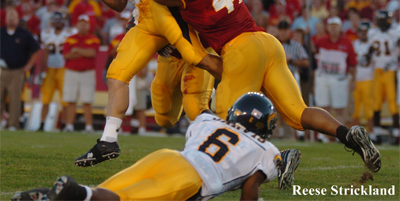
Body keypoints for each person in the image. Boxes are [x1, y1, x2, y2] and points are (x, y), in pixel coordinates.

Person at [103, 0, 381, 172]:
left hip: (239, 49)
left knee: (228, 123)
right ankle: (348, 134)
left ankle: (277, 162)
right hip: (267, 41)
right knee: (298, 113)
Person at [75, 0, 221, 167]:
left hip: (169, 7)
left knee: (196, 77)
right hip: (144, 14)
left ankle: (238, 117)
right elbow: (120, 1)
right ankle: (108, 140)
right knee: (121, 77)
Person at [12, 92, 302, 201]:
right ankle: (77, 192)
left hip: (168, 157)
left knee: (110, 192)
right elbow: (249, 191)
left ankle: (57, 195)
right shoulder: (268, 150)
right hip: (192, 179)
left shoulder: (208, 122)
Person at [314, 17, 357, 142]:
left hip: (339, 79)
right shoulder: (321, 41)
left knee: (339, 108)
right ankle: (323, 135)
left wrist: (353, 80)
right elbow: (313, 55)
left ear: (340, 27)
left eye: (336, 26)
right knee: (323, 108)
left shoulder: (347, 42)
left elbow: (353, 63)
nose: (333, 28)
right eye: (331, 25)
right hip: (323, 77)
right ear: (327, 27)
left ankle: (340, 135)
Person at [0, 8, 40, 130]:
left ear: (18, 19)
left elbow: (36, 50)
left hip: (17, 71)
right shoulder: (1, 32)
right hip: (2, 70)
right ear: (6, 19)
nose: (11, 19)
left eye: (14, 17)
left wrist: (29, 65)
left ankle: (13, 124)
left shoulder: (24, 33)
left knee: (15, 99)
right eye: (9, 16)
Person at [37, 12, 76, 131]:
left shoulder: (70, 33)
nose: (57, 22)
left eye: (59, 20)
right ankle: (42, 124)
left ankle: (64, 124)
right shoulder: (46, 33)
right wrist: (40, 71)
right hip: (50, 68)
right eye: (55, 20)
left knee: (64, 100)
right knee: (46, 98)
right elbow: (44, 53)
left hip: (64, 68)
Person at [62, 14, 100, 133]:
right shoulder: (70, 38)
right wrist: (84, 53)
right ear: (77, 25)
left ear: (88, 25)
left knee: (87, 100)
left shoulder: (93, 38)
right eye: (81, 23)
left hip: (87, 72)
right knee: (70, 100)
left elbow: (92, 53)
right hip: (72, 72)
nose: (82, 25)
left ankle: (88, 126)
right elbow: (67, 55)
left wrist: (77, 50)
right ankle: (69, 125)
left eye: (85, 23)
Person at [367, 10, 399, 144]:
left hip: (390, 70)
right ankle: (377, 132)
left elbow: (398, 52)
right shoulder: (372, 33)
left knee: (392, 101)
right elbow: (370, 50)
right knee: (377, 101)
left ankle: (397, 133)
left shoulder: (395, 32)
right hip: (377, 71)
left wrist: (392, 62)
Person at [352, 21, 374, 133]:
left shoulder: (373, 44)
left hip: (368, 79)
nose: (364, 34)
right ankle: (356, 134)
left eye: (366, 31)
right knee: (355, 109)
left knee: (368, 108)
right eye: (362, 31)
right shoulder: (354, 44)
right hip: (356, 79)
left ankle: (372, 132)